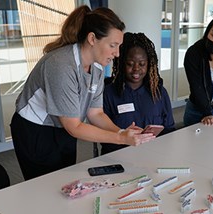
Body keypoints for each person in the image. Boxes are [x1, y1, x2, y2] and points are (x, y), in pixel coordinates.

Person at [10, 6, 155, 180]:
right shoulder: (61, 65)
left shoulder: (97, 68)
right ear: (92, 38)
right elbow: (74, 127)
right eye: (113, 45)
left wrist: (123, 132)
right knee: (44, 188)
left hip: (63, 127)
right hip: (35, 130)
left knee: (65, 183)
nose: (117, 54)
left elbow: (95, 113)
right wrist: (121, 139)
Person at [102, 32, 175, 154]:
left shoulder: (158, 92)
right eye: (130, 64)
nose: (136, 69)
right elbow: (103, 137)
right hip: (119, 157)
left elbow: (170, 130)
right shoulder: (109, 93)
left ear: (149, 64)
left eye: (142, 64)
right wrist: (123, 137)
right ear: (121, 63)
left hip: (153, 154)